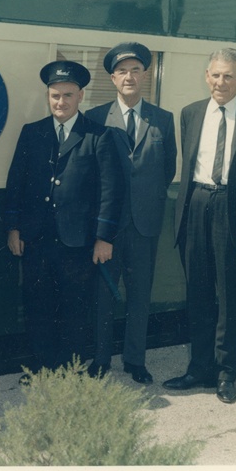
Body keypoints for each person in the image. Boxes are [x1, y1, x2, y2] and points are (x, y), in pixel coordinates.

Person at [5, 60, 123, 372]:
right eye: (55, 95)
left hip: (78, 243)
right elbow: (15, 183)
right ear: (48, 96)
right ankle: (41, 370)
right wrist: (14, 228)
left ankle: (71, 372)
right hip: (37, 239)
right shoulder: (32, 133)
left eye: (68, 95)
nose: (61, 102)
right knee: (38, 307)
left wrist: (104, 238)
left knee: (75, 309)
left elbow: (110, 193)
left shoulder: (98, 136)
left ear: (81, 96)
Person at [164, 48, 236, 403]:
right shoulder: (190, 113)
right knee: (198, 292)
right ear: (207, 75)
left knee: (230, 296)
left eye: (228, 76)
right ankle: (199, 368)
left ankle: (226, 373)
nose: (220, 82)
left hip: (232, 210)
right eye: (215, 75)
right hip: (196, 206)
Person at [84, 42, 176, 384]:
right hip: (109, 227)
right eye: (122, 71)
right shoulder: (95, 119)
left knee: (140, 295)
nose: (129, 77)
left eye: (136, 70)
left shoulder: (162, 120)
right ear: (112, 78)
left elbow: (167, 170)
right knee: (103, 296)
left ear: (145, 76)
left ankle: (135, 360)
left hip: (145, 225)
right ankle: (101, 359)